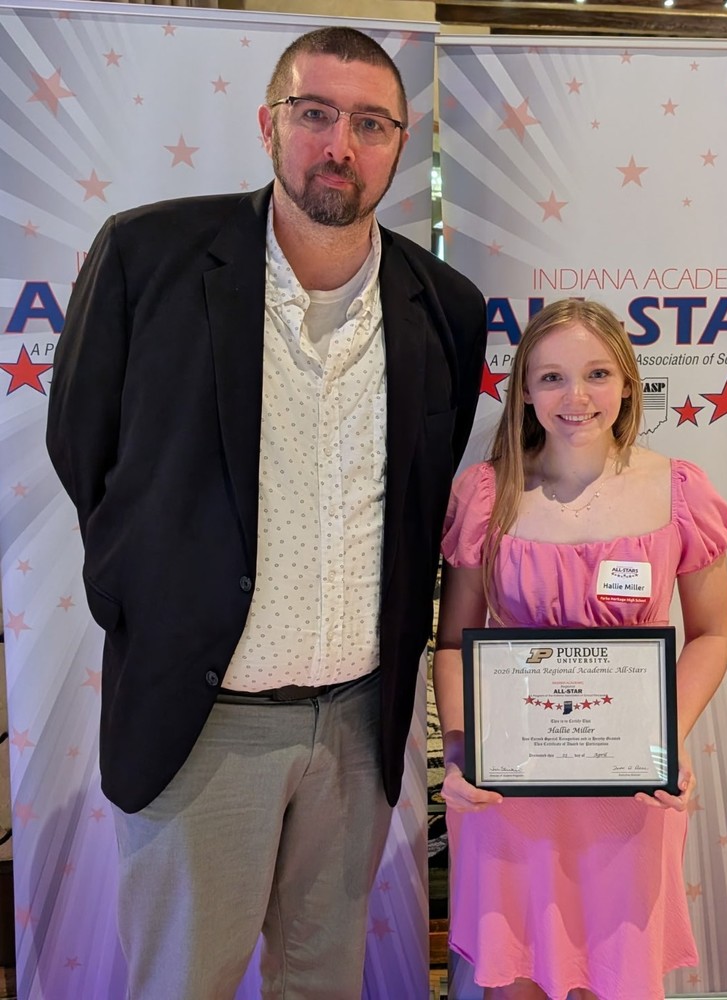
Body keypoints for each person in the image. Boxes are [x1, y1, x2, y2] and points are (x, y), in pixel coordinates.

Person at [46, 26, 487, 1000]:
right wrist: (148, 600)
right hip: (206, 720)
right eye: (315, 113)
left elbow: (426, 486)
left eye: (371, 124)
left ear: (398, 147)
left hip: (358, 727)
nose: (341, 144)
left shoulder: (446, 306)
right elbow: (83, 447)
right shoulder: (148, 258)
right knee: (183, 981)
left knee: (320, 982)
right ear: (268, 123)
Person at [433, 298, 727, 1000]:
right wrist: (458, 754)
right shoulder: (486, 494)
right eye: (551, 378)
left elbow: (713, 635)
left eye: (597, 374)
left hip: (627, 789)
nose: (576, 398)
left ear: (628, 382)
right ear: (525, 392)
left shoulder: (678, 492)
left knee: (618, 978)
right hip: (508, 790)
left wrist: (670, 738)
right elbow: (452, 643)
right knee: (515, 982)